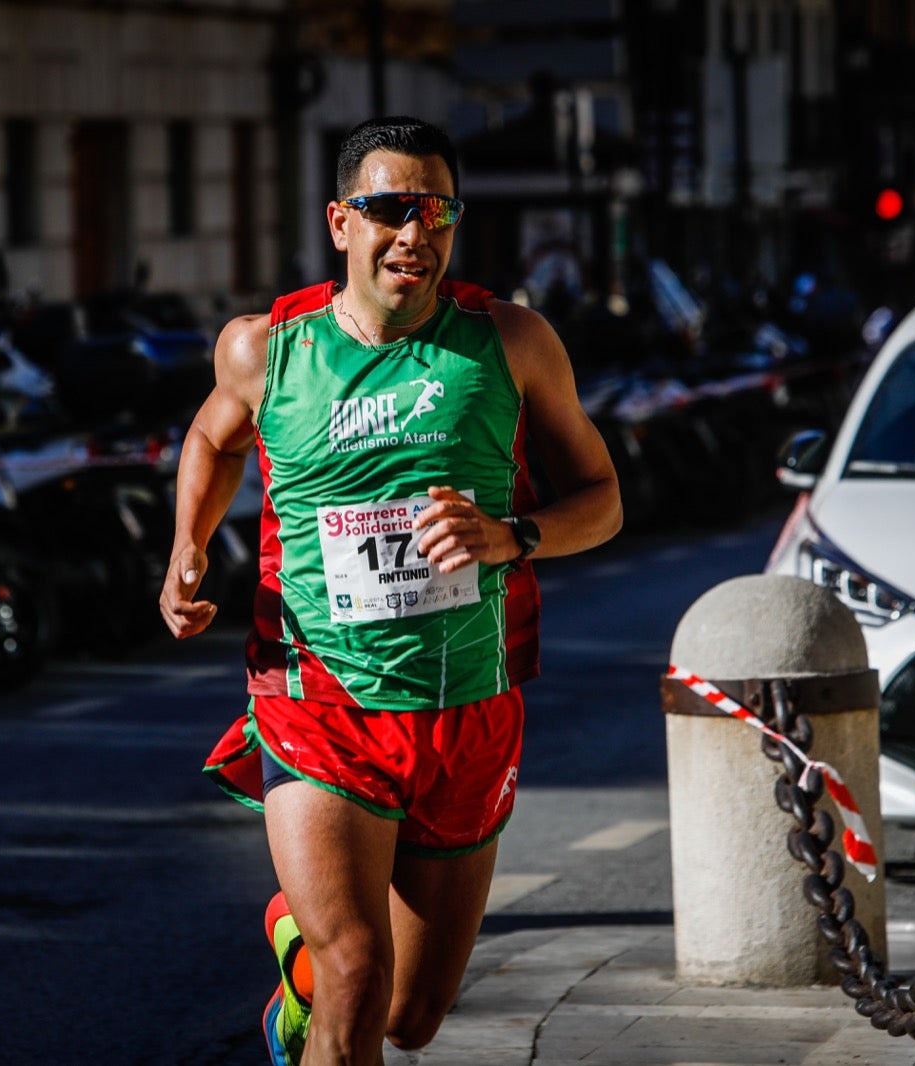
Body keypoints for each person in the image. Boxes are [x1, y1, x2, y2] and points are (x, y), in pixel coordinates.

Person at [159, 115, 621, 1065]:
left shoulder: (513, 343)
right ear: (341, 223)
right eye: (389, 208)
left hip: (467, 706)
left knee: (409, 1017)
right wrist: (186, 547)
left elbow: (604, 501)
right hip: (316, 699)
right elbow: (212, 438)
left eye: (438, 211)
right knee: (359, 974)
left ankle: (300, 972)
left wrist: (512, 536)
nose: (416, 233)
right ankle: (322, 976)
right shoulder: (265, 351)